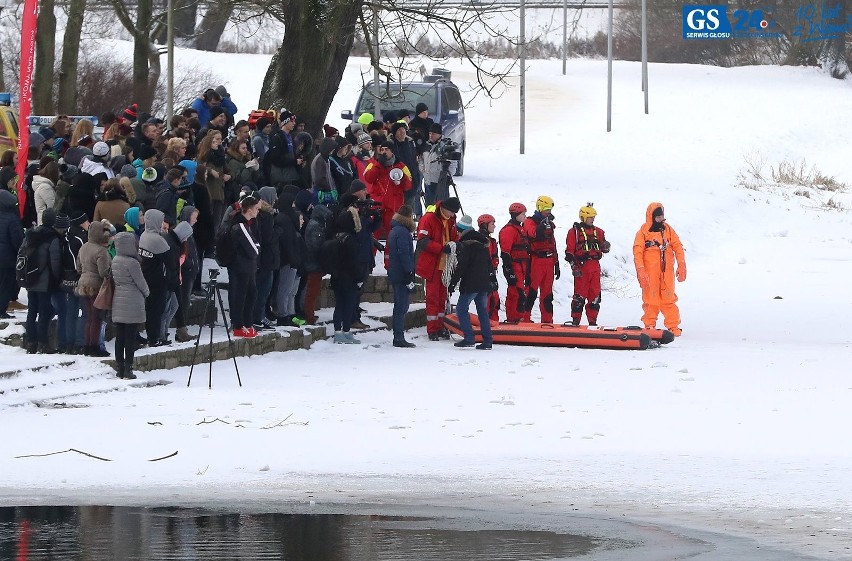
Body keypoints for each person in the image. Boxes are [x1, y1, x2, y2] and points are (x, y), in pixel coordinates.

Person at [632, 202, 686, 336]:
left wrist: (681, 264)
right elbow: (637, 252)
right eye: (658, 217)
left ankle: (673, 325)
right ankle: (649, 325)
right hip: (650, 271)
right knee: (651, 299)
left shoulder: (668, 229)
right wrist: (641, 270)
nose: (661, 220)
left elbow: (678, 246)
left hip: (666, 271)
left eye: (662, 217)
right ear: (651, 217)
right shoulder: (643, 232)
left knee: (669, 298)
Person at [415, 196, 460, 340]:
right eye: (451, 212)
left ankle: (441, 326)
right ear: (444, 208)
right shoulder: (428, 219)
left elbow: (454, 238)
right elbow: (422, 241)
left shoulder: (451, 220)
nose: (452, 215)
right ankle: (432, 329)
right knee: (433, 298)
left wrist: (457, 245)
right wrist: (442, 248)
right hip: (433, 266)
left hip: (444, 266)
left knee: (442, 299)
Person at [448, 214, 495, 350]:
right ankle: (487, 340)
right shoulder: (482, 244)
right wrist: (492, 279)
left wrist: (452, 283)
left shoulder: (466, 245)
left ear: (462, 231)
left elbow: (461, 267)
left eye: (458, 231)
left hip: (471, 283)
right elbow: (489, 264)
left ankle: (469, 337)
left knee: (461, 309)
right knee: (482, 311)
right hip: (483, 283)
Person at [564, 204, 611, 326]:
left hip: (595, 266)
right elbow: (569, 252)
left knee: (595, 295)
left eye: (593, 217)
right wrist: (574, 266)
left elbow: (603, 245)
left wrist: (606, 246)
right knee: (579, 295)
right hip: (582, 267)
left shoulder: (599, 231)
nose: (592, 219)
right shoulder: (574, 232)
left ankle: (592, 321)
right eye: (590, 217)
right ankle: (576, 320)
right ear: (583, 217)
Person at [111, 232, 149, 379]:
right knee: (130, 337)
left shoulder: (115, 260)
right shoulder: (132, 263)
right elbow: (141, 283)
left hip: (118, 300)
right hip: (132, 301)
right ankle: (128, 368)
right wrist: (147, 292)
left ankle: (119, 367)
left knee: (119, 336)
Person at [328, 203, 366, 344]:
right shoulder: (350, 240)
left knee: (339, 305)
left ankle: (338, 332)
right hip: (349, 278)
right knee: (349, 305)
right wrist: (359, 277)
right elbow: (354, 261)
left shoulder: (335, 236)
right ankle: (346, 331)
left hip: (337, 276)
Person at [75, 219, 111, 357]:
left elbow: (78, 268)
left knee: (89, 317)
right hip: (96, 286)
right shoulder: (101, 250)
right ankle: (94, 347)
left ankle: (87, 345)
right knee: (97, 318)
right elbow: (104, 272)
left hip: (83, 284)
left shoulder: (84, 247)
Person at [363, 141, 412, 242]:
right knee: (372, 237)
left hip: (393, 208)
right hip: (377, 207)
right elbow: (368, 178)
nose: (384, 152)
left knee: (392, 238)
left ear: (392, 151)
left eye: (387, 149)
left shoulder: (401, 166)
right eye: (382, 149)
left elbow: (408, 185)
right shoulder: (374, 164)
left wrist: (402, 178)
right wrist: (378, 165)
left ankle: (389, 258)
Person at [228, 194, 261, 338]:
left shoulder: (247, 225)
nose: (257, 211)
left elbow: (256, 244)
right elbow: (255, 249)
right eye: (255, 209)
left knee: (252, 294)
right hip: (242, 266)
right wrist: (256, 247)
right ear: (249, 210)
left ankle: (247, 324)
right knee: (241, 295)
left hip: (248, 266)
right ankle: (239, 325)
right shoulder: (240, 226)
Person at [522, 196, 559, 323]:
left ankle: (547, 321)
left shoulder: (549, 223)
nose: (549, 212)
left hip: (548, 262)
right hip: (536, 261)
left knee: (547, 294)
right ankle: (525, 318)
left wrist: (556, 262)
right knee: (531, 292)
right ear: (540, 208)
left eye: (550, 209)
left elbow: (552, 243)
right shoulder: (530, 222)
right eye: (546, 209)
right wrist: (542, 225)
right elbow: (533, 233)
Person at [138, 209, 171, 346]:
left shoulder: (144, 235)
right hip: (157, 279)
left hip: (146, 277)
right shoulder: (157, 240)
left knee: (150, 308)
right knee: (156, 309)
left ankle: (152, 335)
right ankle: (154, 337)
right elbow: (169, 257)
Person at [387, 204, 417, 348]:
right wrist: (408, 272)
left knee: (400, 305)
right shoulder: (403, 232)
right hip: (401, 273)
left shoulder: (395, 230)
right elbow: (404, 253)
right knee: (401, 306)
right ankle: (398, 337)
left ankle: (398, 336)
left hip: (396, 272)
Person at [499, 203, 531, 323]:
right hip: (514, 266)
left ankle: (518, 317)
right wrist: (509, 270)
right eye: (523, 214)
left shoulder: (520, 229)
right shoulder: (509, 230)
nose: (525, 216)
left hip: (522, 266)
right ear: (516, 215)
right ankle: (513, 318)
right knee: (516, 293)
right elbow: (505, 252)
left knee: (520, 293)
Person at [420, 123, 457, 207]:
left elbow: (453, 163)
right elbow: (421, 160)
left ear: (439, 134)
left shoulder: (446, 146)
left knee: (441, 206)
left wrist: (447, 175)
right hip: (427, 181)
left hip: (440, 182)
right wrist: (422, 168)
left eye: (433, 134)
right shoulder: (426, 145)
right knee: (429, 207)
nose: (431, 135)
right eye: (430, 133)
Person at [0, 191, 23, 319]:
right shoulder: (12, 218)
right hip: (7, 258)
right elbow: (17, 240)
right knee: (5, 285)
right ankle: (1, 310)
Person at [477, 214, 501, 322]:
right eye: (492, 224)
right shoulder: (479, 241)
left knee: (495, 301)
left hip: (491, 275)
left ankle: (493, 323)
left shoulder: (492, 241)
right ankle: (485, 325)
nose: (494, 226)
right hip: (483, 276)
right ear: (485, 225)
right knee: (486, 302)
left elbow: (494, 258)